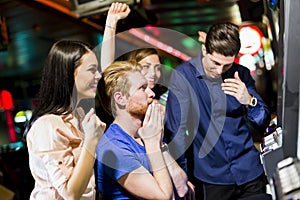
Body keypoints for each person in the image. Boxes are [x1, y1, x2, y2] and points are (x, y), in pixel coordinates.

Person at [165, 22, 271, 200]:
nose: (220, 71)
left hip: (249, 170)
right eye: (215, 63)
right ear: (204, 49)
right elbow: (177, 132)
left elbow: (262, 122)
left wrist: (249, 100)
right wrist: (182, 175)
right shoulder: (183, 77)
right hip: (211, 177)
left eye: (227, 65)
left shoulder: (241, 74)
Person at [96, 61, 192, 199]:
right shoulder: (114, 147)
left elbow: (182, 188)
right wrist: (153, 145)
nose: (152, 93)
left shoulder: (148, 132)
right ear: (120, 99)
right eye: (142, 88)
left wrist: (158, 144)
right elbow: (164, 197)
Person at [24, 40, 106, 199]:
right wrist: (91, 141)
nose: (98, 75)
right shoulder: (48, 125)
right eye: (92, 70)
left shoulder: (79, 116)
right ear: (69, 73)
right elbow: (70, 194)